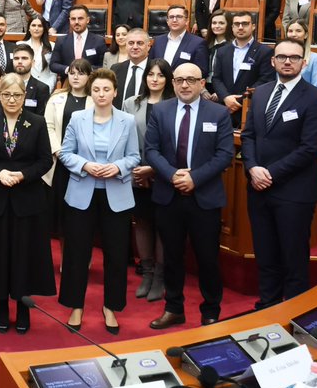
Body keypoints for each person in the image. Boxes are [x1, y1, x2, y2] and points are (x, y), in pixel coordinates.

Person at [242, 39, 317, 308]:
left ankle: (293, 314)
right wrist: (252, 168)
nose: (287, 61)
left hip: (294, 193)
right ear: (273, 61)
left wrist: (268, 173)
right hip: (258, 189)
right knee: (266, 256)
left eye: (294, 57)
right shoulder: (260, 93)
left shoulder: (316, 99)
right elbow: (248, 136)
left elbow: (310, 149)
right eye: (282, 57)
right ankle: (267, 308)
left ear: (304, 62)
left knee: (293, 260)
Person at [144, 62, 235, 328]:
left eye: (191, 80)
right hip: (168, 195)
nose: (184, 85)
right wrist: (172, 175)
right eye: (179, 79)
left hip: (204, 197)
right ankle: (174, 308)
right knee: (171, 257)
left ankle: (210, 310)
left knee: (207, 257)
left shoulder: (218, 114)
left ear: (202, 83)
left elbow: (225, 155)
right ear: (172, 83)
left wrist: (195, 177)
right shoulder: (160, 111)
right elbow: (151, 150)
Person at [58, 68, 141, 333]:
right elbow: (65, 152)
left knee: (116, 255)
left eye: (106, 89)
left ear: (115, 92)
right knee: (76, 253)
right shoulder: (77, 117)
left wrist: (118, 167)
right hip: (82, 191)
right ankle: (76, 306)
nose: (101, 94)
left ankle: (110, 307)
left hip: (116, 193)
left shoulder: (127, 120)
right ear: (90, 92)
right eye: (96, 90)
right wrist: (85, 165)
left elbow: (134, 157)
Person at [0, 73, 55, 334]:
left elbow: (45, 160)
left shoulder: (37, 123)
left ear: (24, 97)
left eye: (17, 95)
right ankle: (2, 305)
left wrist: (22, 175)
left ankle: (22, 307)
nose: (11, 99)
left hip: (27, 200)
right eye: (6, 94)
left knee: (23, 255)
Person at [122, 58, 172, 302]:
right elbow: (124, 138)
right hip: (137, 173)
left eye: (160, 75)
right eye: (150, 74)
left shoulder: (174, 103)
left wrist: (154, 169)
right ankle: (148, 272)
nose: (154, 79)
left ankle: (161, 277)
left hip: (164, 174)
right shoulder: (131, 103)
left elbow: (175, 145)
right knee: (141, 223)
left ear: (167, 79)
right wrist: (136, 169)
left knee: (163, 224)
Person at [43, 59, 91, 238]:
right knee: (61, 217)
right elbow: (47, 126)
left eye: (81, 73)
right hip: (59, 162)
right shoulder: (57, 97)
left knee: (79, 218)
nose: (76, 76)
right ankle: (64, 263)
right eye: (72, 73)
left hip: (85, 164)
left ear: (88, 76)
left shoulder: (95, 100)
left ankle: (79, 261)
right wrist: (58, 151)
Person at [211, 10, 275, 125]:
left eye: (245, 24)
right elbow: (216, 78)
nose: (240, 27)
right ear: (232, 27)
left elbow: (265, 80)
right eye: (237, 24)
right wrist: (226, 97)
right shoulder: (222, 51)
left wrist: (241, 99)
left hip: (250, 107)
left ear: (253, 26)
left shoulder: (265, 52)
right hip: (224, 107)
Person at [150, 4, 209, 78]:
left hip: (183, 86)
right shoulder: (158, 41)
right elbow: (150, 65)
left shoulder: (198, 43)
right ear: (167, 21)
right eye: (171, 17)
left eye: (179, 17)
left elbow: (202, 71)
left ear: (187, 21)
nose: (174, 20)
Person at [50, 5, 107, 76]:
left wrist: (87, 70)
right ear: (69, 20)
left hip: (91, 81)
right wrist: (69, 70)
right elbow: (53, 64)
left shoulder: (99, 41)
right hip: (68, 81)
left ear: (88, 20)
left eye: (80, 18)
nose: (76, 22)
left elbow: (104, 65)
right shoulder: (61, 41)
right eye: (73, 19)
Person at [111, 27, 151, 108]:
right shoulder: (115, 69)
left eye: (140, 43)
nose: (135, 47)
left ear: (148, 46)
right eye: (131, 43)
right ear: (126, 46)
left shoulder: (154, 69)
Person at [284, 20, 317, 89]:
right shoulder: (280, 57)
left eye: (298, 31)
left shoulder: (316, 58)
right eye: (290, 31)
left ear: (306, 35)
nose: (294, 34)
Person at [11, 44, 51, 116]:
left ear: (33, 63)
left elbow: (41, 118)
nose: (20, 61)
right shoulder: (4, 85)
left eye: (24, 58)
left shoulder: (41, 88)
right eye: (16, 58)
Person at [21, 16, 56, 89]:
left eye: (40, 26)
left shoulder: (52, 46)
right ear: (29, 28)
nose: (36, 29)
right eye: (33, 25)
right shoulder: (20, 45)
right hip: (24, 88)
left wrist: (48, 88)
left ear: (44, 29)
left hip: (45, 87)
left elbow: (53, 72)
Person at [203, 11, 231, 100]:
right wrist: (202, 89)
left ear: (229, 25)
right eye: (214, 23)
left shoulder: (233, 46)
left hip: (224, 86)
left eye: (221, 23)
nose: (217, 26)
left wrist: (221, 91)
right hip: (205, 86)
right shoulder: (204, 44)